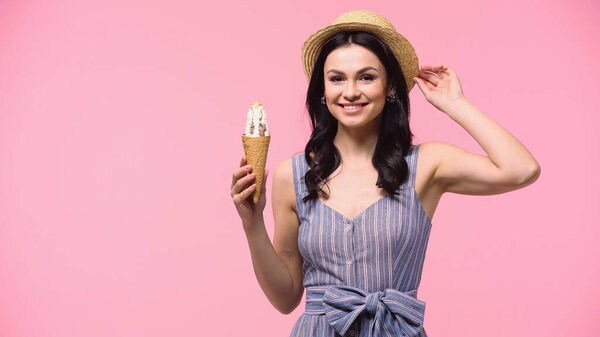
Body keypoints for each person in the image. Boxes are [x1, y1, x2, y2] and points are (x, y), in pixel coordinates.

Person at [230, 10, 540, 337]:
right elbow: (285, 297)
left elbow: (521, 169)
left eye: (366, 77)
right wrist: (252, 223)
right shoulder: (291, 176)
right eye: (337, 78)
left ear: (390, 85)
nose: (350, 92)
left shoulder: (427, 165)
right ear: (322, 89)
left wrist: (455, 104)